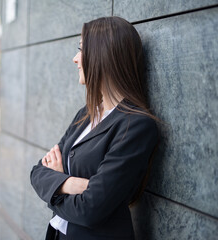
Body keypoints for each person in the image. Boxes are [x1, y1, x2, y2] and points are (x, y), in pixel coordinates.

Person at [30, 16, 159, 240]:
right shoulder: (87, 113)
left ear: (104, 55)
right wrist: (69, 183)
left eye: (81, 49)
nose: (75, 59)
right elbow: (38, 172)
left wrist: (54, 187)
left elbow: (90, 210)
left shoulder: (137, 126)